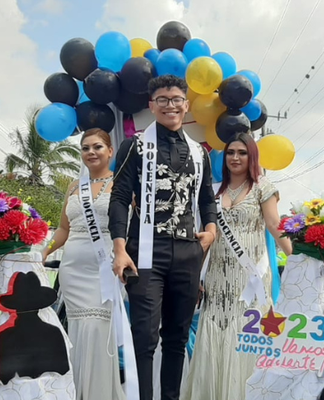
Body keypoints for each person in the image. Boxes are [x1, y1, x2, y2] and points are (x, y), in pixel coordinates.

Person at [110, 75, 217, 400]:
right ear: (151, 106)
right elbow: (119, 197)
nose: (170, 105)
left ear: (186, 105)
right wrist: (119, 248)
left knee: (177, 337)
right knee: (144, 335)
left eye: (175, 99)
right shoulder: (136, 145)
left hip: (187, 252)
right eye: (162, 100)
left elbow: (207, 200)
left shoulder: (200, 153)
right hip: (144, 252)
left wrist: (210, 231)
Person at [183, 133, 292, 400]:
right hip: (217, 278)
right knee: (215, 331)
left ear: (251, 156)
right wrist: (195, 274)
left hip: (250, 278)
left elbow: (274, 226)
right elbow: (204, 236)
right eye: (231, 152)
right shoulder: (213, 190)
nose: (235, 157)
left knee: (246, 334)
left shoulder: (263, 187)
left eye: (242, 152)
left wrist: (297, 256)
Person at [43, 128, 124, 400]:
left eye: (97, 147)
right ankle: (76, 392)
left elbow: (131, 229)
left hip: (103, 268)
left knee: (98, 330)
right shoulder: (74, 186)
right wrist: (45, 251)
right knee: (76, 332)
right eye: (86, 147)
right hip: (73, 271)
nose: (91, 152)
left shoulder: (122, 184)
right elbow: (64, 229)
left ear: (110, 151)